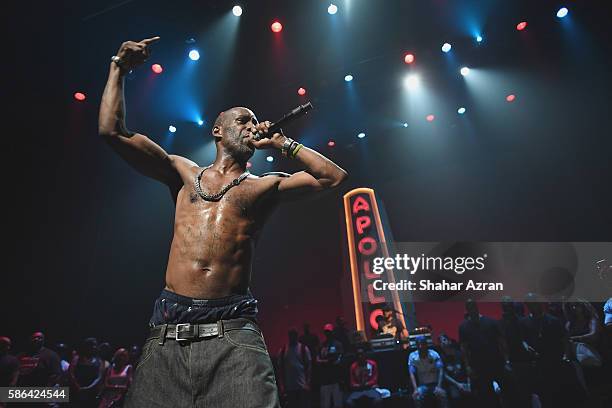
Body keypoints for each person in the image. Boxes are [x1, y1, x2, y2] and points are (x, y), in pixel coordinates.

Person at [99, 37, 347, 408]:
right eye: (242, 120)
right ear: (217, 131)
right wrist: (118, 66)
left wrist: (283, 142)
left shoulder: (264, 186)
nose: (251, 126)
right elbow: (113, 131)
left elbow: (333, 178)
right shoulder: (183, 172)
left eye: (253, 122)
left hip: (235, 332)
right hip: (169, 329)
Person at [458, 300, 509, 408]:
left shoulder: (490, 322)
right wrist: (467, 366)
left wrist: (506, 360)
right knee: (487, 395)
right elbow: (464, 348)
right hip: (479, 366)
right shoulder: (464, 327)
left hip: (496, 362)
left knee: (505, 391)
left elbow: (501, 342)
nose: (472, 309)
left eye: (473, 307)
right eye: (469, 307)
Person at [408, 336, 448, 408]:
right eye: (419, 344)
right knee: (417, 397)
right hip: (422, 385)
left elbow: (441, 370)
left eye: (422, 344)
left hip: (435, 384)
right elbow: (411, 373)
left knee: (442, 394)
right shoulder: (413, 356)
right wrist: (415, 389)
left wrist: (439, 386)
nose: (421, 346)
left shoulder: (434, 355)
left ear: (426, 344)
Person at [277, 329, 312, 408]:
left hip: (301, 386)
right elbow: (280, 370)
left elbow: (309, 366)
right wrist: (282, 385)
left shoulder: (303, 349)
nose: (293, 337)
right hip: (289, 387)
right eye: (291, 336)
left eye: (294, 335)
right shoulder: (283, 351)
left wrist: (307, 383)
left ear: (297, 336)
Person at [437, 333, 472, 408]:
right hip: (453, 384)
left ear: (449, 341)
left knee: (471, 393)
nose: (442, 343)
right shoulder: (442, 358)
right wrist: (457, 384)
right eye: (440, 342)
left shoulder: (459, 354)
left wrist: (469, 382)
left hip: (464, 381)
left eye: (444, 340)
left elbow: (467, 369)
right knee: (456, 396)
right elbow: (445, 375)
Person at [69, 337, 105, 407]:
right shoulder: (77, 358)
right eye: (91, 345)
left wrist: (88, 388)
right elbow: (71, 373)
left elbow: (99, 377)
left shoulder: (99, 361)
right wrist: (78, 387)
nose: (94, 347)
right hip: (76, 391)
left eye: (95, 345)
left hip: (91, 393)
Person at [316, 323, 344, 408]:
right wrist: (327, 361)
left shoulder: (338, 344)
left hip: (336, 379)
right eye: (326, 332)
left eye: (329, 331)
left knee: (337, 404)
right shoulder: (322, 345)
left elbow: (337, 360)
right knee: (325, 404)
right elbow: (317, 359)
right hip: (325, 380)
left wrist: (326, 361)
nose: (328, 333)